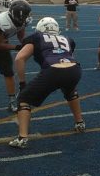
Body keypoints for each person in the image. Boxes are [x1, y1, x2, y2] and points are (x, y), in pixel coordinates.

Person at [9, 17, 85, 148]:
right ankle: (80, 123)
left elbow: (20, 58)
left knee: (24, 99)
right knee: (70, 90)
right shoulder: (67, 39)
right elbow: (67, 55)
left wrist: (22, 83)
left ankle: (22, 138)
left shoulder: (36, 37)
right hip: (75, 69)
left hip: (53, 70)